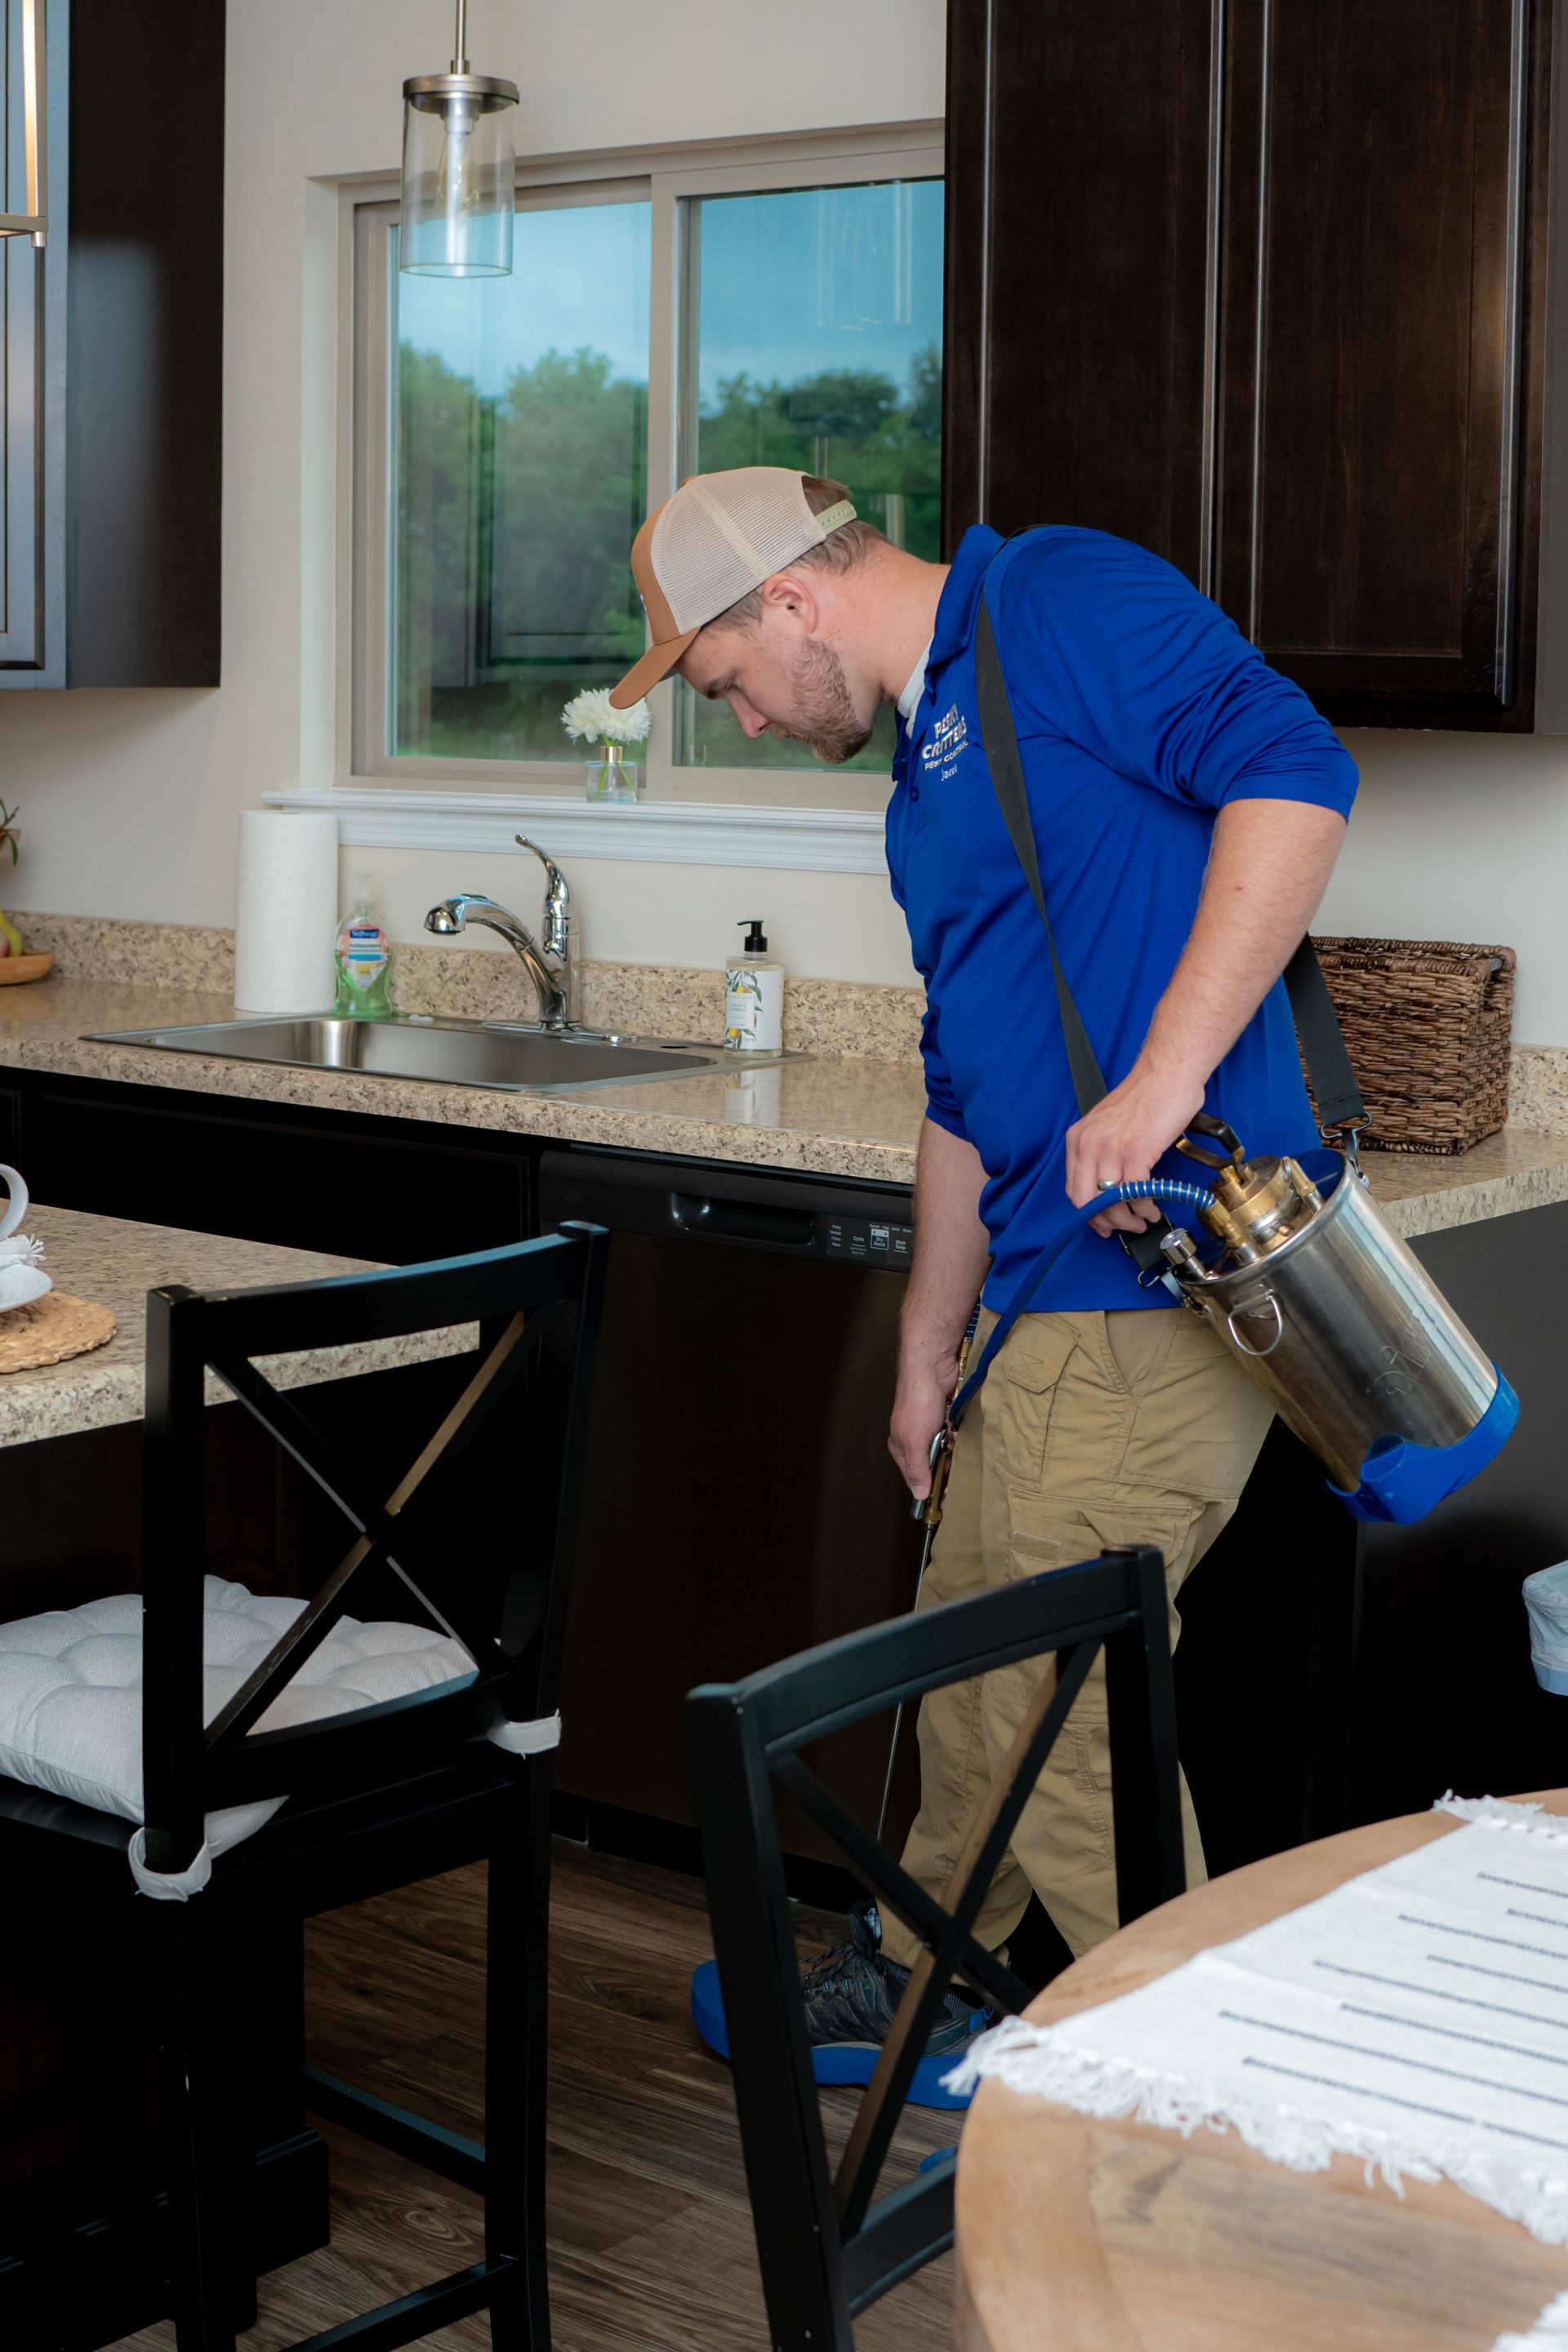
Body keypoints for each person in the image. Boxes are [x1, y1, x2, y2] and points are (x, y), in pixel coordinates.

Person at [609, 466, 1357, 2097]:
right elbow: (965, 1084)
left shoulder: (1059, 599)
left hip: (1156, 1281)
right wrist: (923, 1343)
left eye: (726, 682)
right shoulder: (922, 770)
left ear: (791, 600)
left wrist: (1164, 1081)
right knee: (968, 1658)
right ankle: (920, 1976)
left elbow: (1296, 776)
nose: (740, 720)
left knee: (1074, 1729)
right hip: (1030, 1297)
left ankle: (1206, 2102)